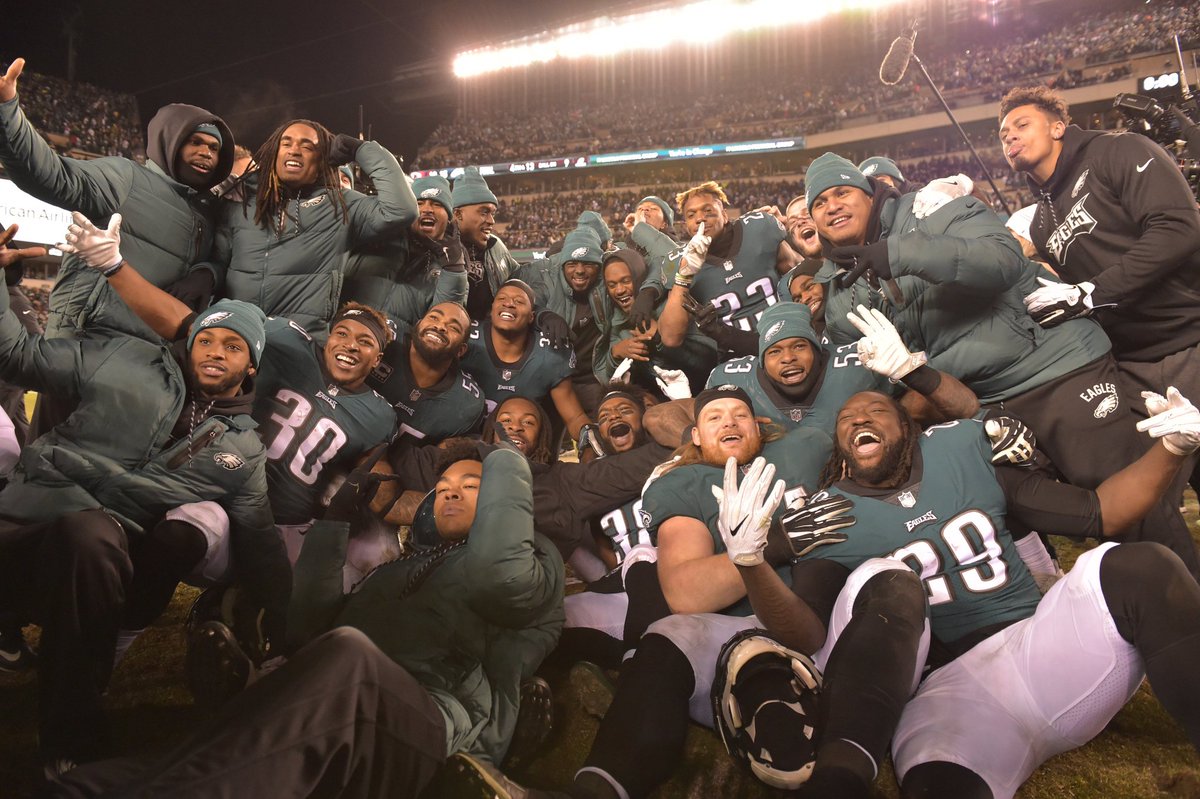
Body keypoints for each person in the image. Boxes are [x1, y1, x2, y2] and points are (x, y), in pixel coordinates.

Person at [718, 388, 1200, 799]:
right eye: (846, 418)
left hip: (1043, 647)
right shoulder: (829, 516)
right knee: (938, 779)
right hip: (949, 692)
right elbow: (804, 633)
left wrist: (1171, 448)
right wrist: (751, 563)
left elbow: (1102, 512)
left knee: (1141, 565)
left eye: (876, 410)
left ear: (908, 427)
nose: (859, 419)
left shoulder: (963, 455)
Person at [50, 444, 565, 799]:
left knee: (348, 659)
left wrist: (505, 458)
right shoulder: (401, 566)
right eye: (444, 484)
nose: (449, 492)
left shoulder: (537, 561)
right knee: (220, 741)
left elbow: (500, 578)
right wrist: (334, 524)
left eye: (473, 486)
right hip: (333, 696)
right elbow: (306, 629)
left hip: (436, 724)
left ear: (507, 502)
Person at [808, 152, 1200, 576]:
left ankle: (1183, 606)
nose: (832, 206)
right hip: (982, 405)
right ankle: (1108, 603)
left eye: (842, 192)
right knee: (1030, 514)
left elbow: (1002, 260)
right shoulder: (838, 290)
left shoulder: (930, 209)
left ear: (870, 194)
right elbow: (875, 375)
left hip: (1053, 367)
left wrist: (900, 252)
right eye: (820, 202)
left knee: (1136, 515)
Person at [0, 277, 285, 774]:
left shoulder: (242, 450)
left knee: (92, 536)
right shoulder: (125, 358)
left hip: (90, 564)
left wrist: (287, 624)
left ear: (251, 366)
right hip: (25, 523)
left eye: (233, 345)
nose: (215, 351)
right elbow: (18, 357)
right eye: (206, 339)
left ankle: (68, 744)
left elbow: (260, 541)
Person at [998, 85, 1200, 410]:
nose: (1010, 136)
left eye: (1022, 124)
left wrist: (1092, 292)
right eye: (1003, 134)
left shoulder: (1118, 150)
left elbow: (1178, 228)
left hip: (1189, 339)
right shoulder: (1039, 224)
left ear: (1057, 128)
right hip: (1131, 366)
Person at [0, 57, 235, 336]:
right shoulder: (126, 177)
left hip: (155, 351)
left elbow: (231, 260)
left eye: (214, 148)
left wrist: (208, 273)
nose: (206, 153)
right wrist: (7, 111)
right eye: (195, 142)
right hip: (88, 345)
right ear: (170, 141)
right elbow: (53, 174)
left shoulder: (208, 211)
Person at [199, 119, 417, 333]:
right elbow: (220, 260)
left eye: (307, 147)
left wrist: (362, 150)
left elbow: (401, 210)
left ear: (322, 159)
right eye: (286, 143)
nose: (294, 151)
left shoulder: (341, 205)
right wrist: (205, 274)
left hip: (300, 340)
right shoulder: (242, 200)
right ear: (274, 152)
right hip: (239, 334)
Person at [656, 181, 798, 349]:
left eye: (708, 211)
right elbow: (671, 338)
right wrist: (684, 276)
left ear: (724, 215)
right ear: (686, 225)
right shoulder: (679, 262)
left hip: (787, 332)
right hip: (734, 352)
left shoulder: (759, 229)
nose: (700, 218)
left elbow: (801, 279)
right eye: (691, 215)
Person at [460, 279, 590, 440]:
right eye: (502, 299)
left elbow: (574, 417)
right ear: (491, 310)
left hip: (521, 442)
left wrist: (590, 440)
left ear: (531, 317)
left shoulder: (550, 353)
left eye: (519, 301)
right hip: (466, 437)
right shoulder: (466, 338)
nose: (509, 304)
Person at [341, 174, 468, 333]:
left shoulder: (453, 270)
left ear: (449, 218)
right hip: (343, 337)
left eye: (437, 204)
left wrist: (454, 272)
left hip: (398, 347)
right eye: (419, 203)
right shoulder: (374, 239)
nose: (427, 209)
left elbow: (444, 325)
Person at [367, 301, 484, 444]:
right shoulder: (382, 336)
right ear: (418, 325)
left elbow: (447, 453)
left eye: (453, 327)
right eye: (434, 317)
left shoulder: (467, 402)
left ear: (460, 350)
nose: (440, 326)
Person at [453, 167, 521, 321]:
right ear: (458, 214)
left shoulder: (496, 246)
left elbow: (522, 277)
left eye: (492, 213)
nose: (491, 221)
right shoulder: (438, 249)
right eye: (484, 212)